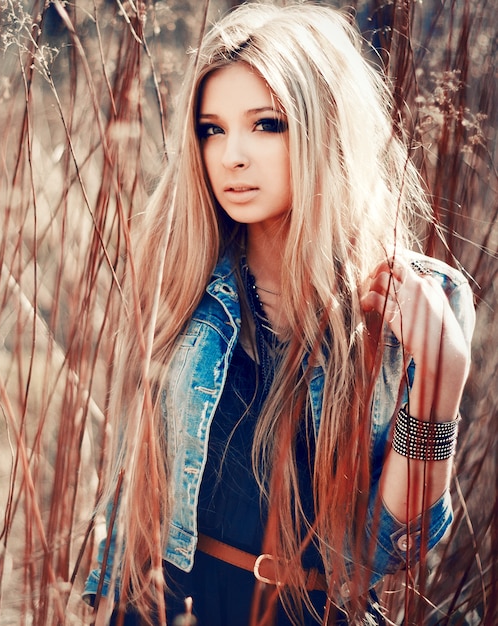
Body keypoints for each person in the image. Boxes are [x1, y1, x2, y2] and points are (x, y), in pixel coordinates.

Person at [82, 3, 475, 624]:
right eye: (212, 129)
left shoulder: (421, 302)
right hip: (172, 606)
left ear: (325, 127)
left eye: (265, 124)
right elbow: (138, 499)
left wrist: (441, 377)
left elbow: (391, 546)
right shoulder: (182, 271)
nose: (231, 155)